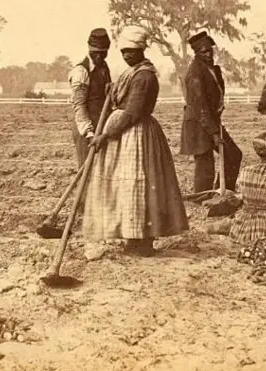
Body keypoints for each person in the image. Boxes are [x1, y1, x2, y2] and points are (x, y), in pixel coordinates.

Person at [84, 26, 189, 257]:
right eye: (123, 51)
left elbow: (132, 112)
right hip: (125, 133)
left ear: (141, 49)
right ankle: (132, 237)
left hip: (136, 133)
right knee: (127, 187)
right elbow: (122, 101)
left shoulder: (144, 76)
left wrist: (105, 134)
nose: (127, 55)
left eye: (131, 51)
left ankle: (143, 241)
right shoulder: (132, 72)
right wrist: (113, 91)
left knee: (139, 185)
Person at [180, 31, 242, 192]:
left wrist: (215, 126)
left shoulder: (214, 69)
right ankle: (201, 197)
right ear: (196, 53)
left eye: (210, 50)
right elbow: (200, 106)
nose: (208, 54)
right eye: (203, 52)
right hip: (198, 123)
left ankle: (225, 191)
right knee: (205, 164)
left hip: (211, 121)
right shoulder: (195, 73)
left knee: (233, 154)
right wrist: (214, 134)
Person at [68, 28, 112, 168]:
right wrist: (89, 133)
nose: (99, 57)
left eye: (103, 53)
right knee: (87, 169)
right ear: (89, 49)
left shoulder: (104, 67)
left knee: (102, 170)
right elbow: (79, 106)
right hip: (87, 129)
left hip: (102, 127)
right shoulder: (81, 71)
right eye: (96, 53)